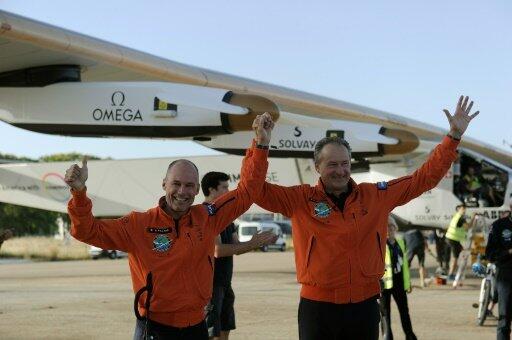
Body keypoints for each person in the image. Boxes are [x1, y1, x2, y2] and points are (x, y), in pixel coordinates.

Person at [252, 96, 480, 339]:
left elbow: (422, 179)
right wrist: (260, 146)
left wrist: (453, 137)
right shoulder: (300, 199)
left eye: (345, 163)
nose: (340, 171)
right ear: (317, 166)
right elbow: (253, 190)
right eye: (332, 165)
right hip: (318, 308)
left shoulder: (375, 196)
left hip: (364, 307)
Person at [64, 113, 274, 340]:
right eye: (176, 184)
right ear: (164, 184)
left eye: (189, 186)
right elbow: (87, 231)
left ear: (196, 190)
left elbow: (247, 192)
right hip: (155, 329)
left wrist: (261, 144)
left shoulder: (208, 216)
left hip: (197, 327)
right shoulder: (138, 224)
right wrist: (78, 193)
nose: (182, 192)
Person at [201, 171, 277, 340]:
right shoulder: (205, 214)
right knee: (210, 332)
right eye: (225, 187)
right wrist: (251, 243)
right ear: (211, 190)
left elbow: (236, 247)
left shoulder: (226, 215)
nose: (229, 191)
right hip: (210, 285)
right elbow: (217, 250)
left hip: (225, 282)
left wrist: (258, 241)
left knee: (225, 328)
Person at [380, 216, 417, 340]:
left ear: (395, 228)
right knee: (385, 314)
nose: (389, 229)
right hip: (385, 284)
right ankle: (388, 336)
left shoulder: (400, 242)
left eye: (392, 226)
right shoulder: (380, 244)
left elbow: (405, 265)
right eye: (387, 227)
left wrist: (408, 283)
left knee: (404, 312)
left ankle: (409, 335)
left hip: (399, 282)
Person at [485, 195, 512, 340]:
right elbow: (490, 254)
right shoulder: (499, 226)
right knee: (504, 318)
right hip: (506, 277)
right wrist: (508, 252)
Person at [446, 204, 477, 280]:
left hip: (451, 238)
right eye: (463, 209)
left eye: (464, 209)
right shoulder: (460, 218)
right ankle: (450, 274)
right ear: (459, 209)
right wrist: (473, 218)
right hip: (453, 239)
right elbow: (468, 227)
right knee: (455, 258)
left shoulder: (456, 216)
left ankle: (452, 272)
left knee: (458, 254)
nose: (464, 210)